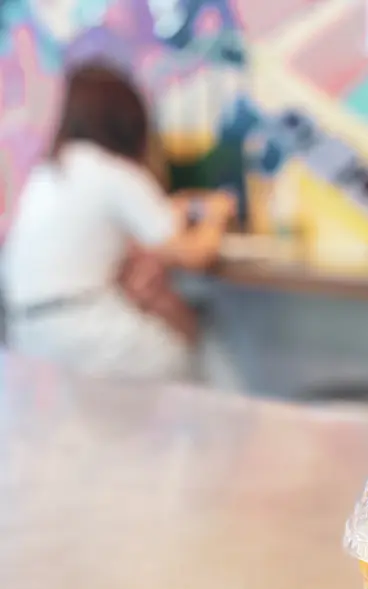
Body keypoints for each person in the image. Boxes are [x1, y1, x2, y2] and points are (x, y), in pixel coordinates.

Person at [2, 62, 236, 381]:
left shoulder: (47, 172)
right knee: (185, 359)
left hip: (26, 333)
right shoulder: (115, 172)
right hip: (80, 327)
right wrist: (218, 214)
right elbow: (195, 255)